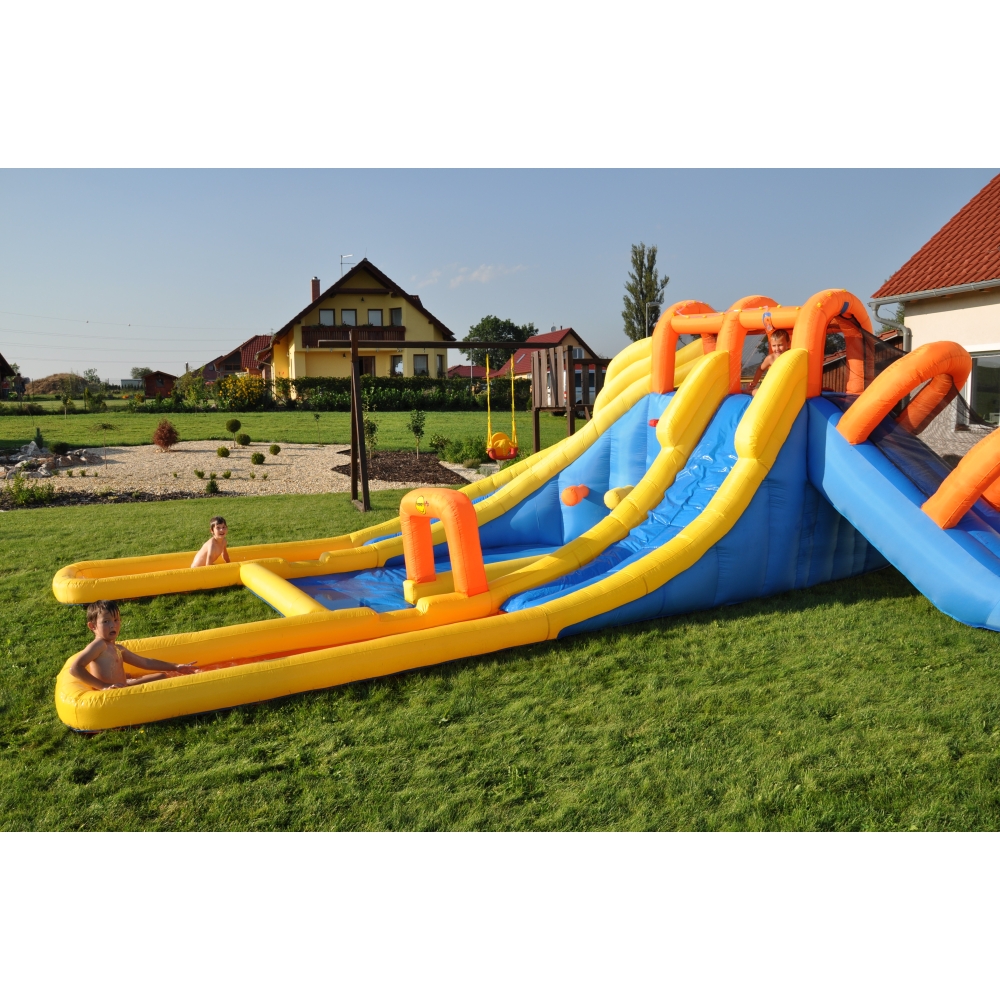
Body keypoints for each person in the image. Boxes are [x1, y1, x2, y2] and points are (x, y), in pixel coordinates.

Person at [68, 600, 197, 690]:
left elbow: (146, 663)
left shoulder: (118, 649)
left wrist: (175, 667)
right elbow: (75, 668)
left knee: (162, 676)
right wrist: (103, 686)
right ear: (92, 626)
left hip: (123, 687)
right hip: (110, 694)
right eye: (106, 621)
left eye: (116, 620)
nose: (112, 625)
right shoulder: (99, 645)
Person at [748, 327, 792, 395]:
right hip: (772, 386)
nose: (777, 348)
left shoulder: (791, 355)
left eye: (780, 345)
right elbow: (760, 369)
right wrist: (754, 382)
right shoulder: (771, 358)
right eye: (774, 346)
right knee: (760, 392)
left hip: (786, 386)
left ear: (788, 343)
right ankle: (750, 391)